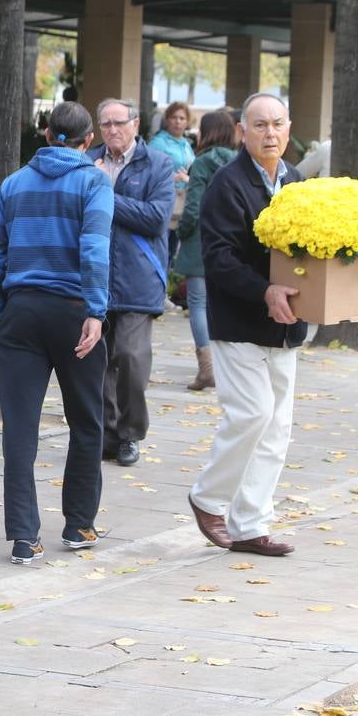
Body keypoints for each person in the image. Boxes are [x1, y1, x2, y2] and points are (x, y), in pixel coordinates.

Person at [0, 101, 114, 565]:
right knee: (86, 420)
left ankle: (23, 536)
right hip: (74, 311)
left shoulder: (14, 184)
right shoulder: (94, 181)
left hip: (21, 312)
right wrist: (96, 311)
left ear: (45, 134)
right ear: (88, 140)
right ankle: (78, 524)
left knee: (20, 428)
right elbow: (95, 250)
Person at [188, 93, 306, 558]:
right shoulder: (226, 183)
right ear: (242, 131)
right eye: (259, 125)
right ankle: (207, 499)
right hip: (238, 323)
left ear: (289, 127)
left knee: (277, 427)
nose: (270, 133)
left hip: (287, 326)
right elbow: (218, 259)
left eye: (277, 124)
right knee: (252, 413)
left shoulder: (295, 180)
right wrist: (264, 291)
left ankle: (251, 525)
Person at [84, 98, 174, 467]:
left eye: (118, 123)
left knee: (131, 358)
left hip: (139, 275)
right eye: (105, 124)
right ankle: (106, 434)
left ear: (136, 124)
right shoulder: (88, 161)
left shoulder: (158, 164)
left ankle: (130, 433)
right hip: (95, 276)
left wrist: (107, 193)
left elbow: (155, 218)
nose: (112, 130)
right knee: (98, 361)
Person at [175, 110, 239, 391]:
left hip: (201, 240)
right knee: (226, 304)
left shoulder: (202, 163)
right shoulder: (240, 162)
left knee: (198, 303)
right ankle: (229, 367)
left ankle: (207, 368)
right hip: (233, 242)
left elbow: (194, 207)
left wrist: (182, 232)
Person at [146, 100, 195, 260]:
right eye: (174, 117)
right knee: (162, 249)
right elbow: (148, 170)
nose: (178, 121)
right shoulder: (158, 142)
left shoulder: (186, 144)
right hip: (165, 199)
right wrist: (172, 177)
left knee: (174, 249)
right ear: (167, 119)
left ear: (188, 122)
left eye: (182, 118)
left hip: (183, 199)